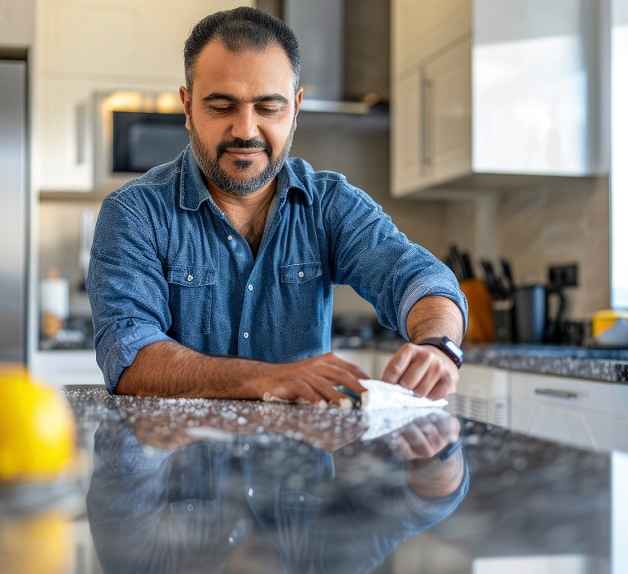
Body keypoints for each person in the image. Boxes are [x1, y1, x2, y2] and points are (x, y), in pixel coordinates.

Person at [87, 7, 467, 402]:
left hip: (302, 462)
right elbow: (130, 356)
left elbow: (419, 278)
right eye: (221, 106)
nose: (246, 130)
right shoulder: (134, 213)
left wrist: (438, 346)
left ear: (296, 108)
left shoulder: (330, 205)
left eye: (268, 108)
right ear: (187, 107)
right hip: (181, 463)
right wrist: (265, 379)